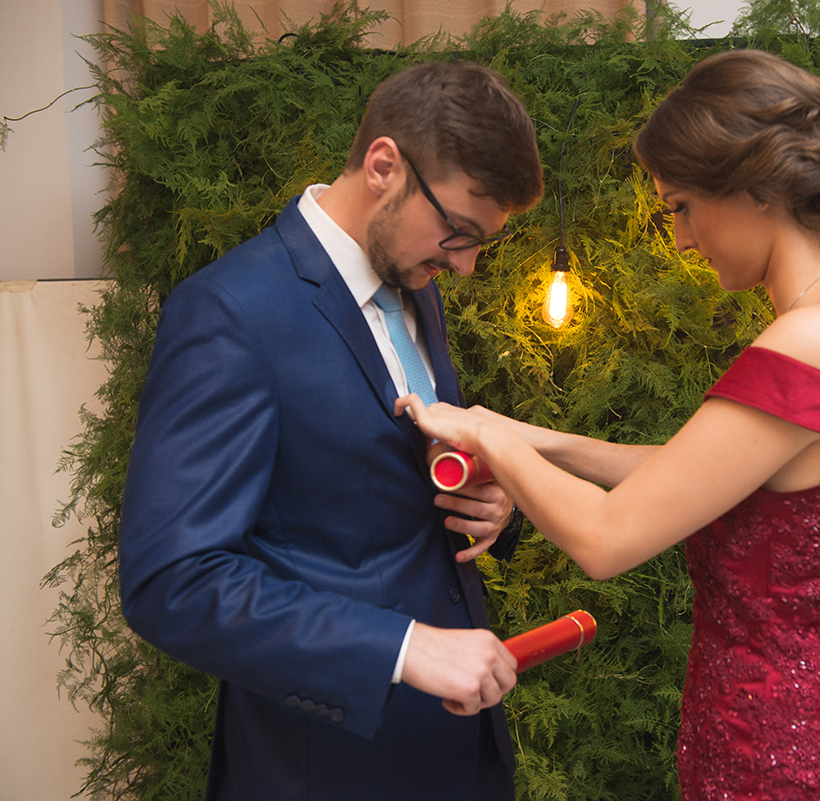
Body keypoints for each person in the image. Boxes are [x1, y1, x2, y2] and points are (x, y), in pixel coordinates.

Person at [398, 50, 820, 800]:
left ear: (752, 190)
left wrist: (489, 439)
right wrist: (529, 434)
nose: (679, 237)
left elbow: (607, 538)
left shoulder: (816, 342)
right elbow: (705, 473)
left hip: (787, 757)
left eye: (680, 205)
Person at [118, 61, 542, 801]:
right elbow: (170, 580)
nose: (467, 266)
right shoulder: (229, 313)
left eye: (483, 244)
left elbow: (390, 482)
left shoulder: (414, 279)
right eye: (458, 232)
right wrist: (401, 648)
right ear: (384, 165)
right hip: (324, 765)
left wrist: (490, 507)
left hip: (463, 754)